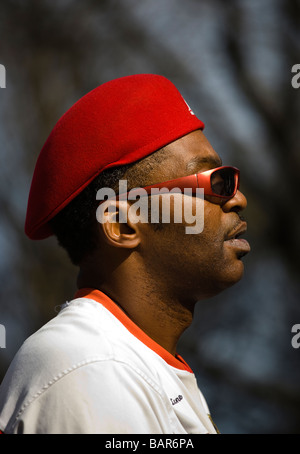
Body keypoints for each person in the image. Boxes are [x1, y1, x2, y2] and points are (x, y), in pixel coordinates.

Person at [0, 74, 249, 434]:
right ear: (122, 225)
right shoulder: (89, 367)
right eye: (215, 182)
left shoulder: (123, 364)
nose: (237, 198)